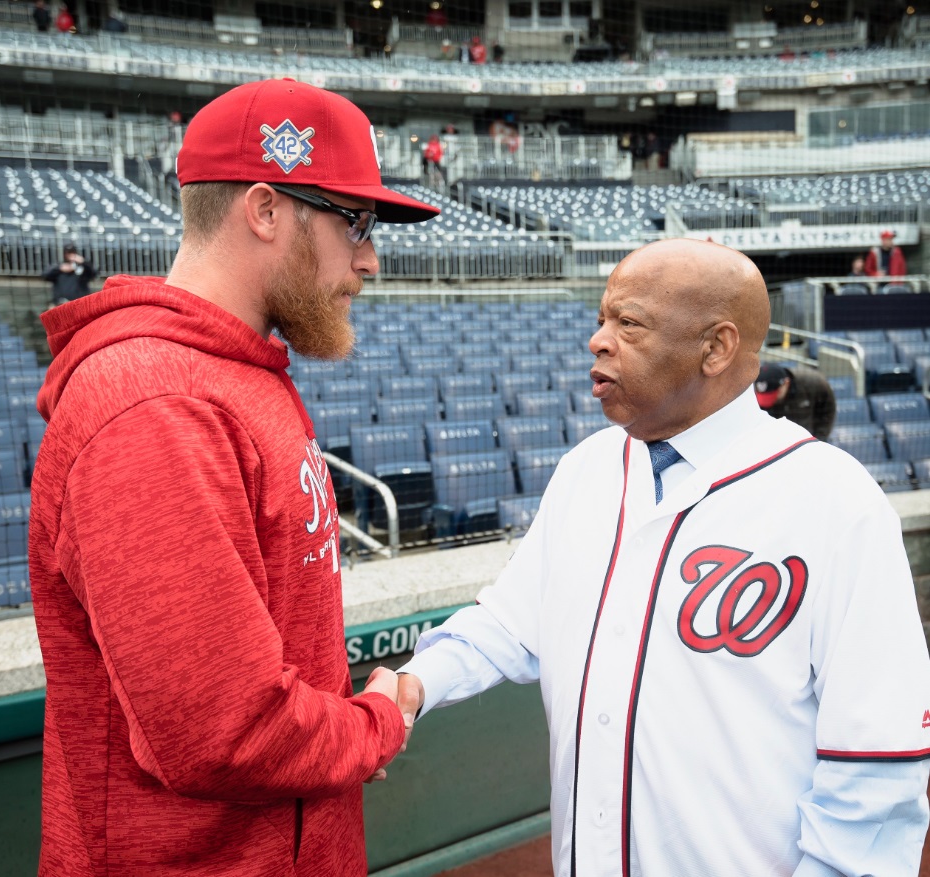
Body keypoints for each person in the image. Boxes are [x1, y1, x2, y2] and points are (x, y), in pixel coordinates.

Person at [397, 239, 930, 877]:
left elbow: (876, 765)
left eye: (629, 323)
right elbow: (508, 626)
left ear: (717, 347)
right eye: (601, 319)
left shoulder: (835, 502)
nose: (597, 340)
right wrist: (414, 684)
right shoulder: (584, 470)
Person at [29, 78, 438, 877]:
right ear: (265, 210)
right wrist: (374, 722)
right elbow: (224, 730)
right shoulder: (156, 403)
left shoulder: (232, 371)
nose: (370, 256)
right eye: (353, 222)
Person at [754, 361, 837, 440]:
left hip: (808, 441)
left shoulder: (813, 383)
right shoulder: (752, 393)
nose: (772, 400)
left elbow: (828, 410)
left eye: (774, 394)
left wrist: (819, 439)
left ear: (786, 383)